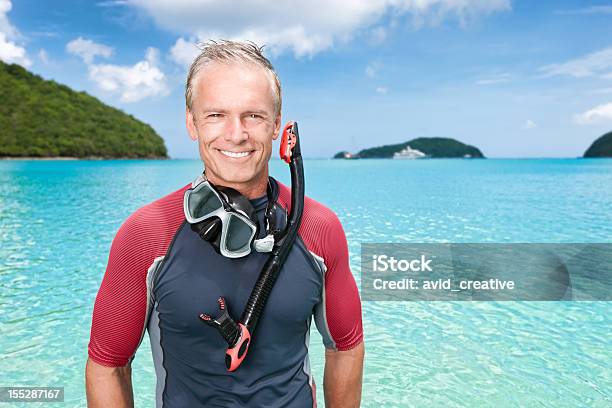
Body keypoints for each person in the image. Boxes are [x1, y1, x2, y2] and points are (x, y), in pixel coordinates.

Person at [85, 40, 364, 407]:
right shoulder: (145, 234)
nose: (236, 133)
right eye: (216, 114)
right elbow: (109, 365)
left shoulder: (318, 228)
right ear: (191, 122)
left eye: (254, 115)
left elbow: (345, 347)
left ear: (277, 125)